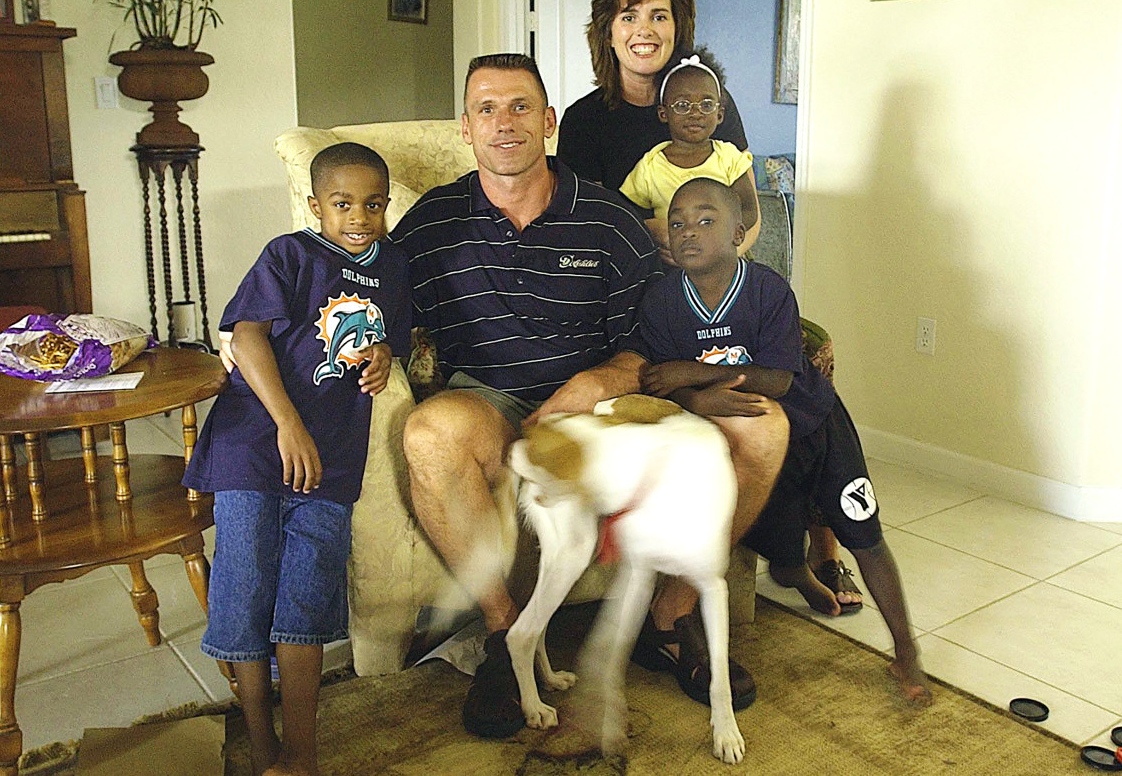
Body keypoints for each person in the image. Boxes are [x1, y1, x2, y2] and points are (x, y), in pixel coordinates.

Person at [388, 53, 788, 738]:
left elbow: (654, 335)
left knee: (765, 427)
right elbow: (367, 296)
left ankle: (671, 617)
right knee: (430, 432)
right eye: (486, 108)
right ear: (466, 128)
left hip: (606, 413)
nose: (504, 123)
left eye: (520, 107)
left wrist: (601, 380)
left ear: (547, 121)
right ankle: (502, 635)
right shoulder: (431, 223)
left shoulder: (606, 219)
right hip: (490, 403)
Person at [634, 177, 932, 705]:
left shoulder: (768, 290)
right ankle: (803, 581)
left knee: (864, 534)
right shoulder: (659, 303)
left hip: (816, 427)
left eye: (706, 220)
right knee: (780, 545)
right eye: (677, 223)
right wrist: (695, 400)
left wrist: (691, 372)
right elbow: (658, 384)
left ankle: (906, 650)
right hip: (762, 444)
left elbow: (780, 379)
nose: (688, 232)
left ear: (739, 233)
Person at [184, 143, 411, 775]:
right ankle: (261, 743)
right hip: (255, 444)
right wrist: (288, 423)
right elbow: (246, 334)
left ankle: (302, 752)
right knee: (246, 586)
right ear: (316, 206)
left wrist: (385, 354)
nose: (359, 216)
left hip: (332, 458)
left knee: (306, 597)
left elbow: (393, 333)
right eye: (342, 204)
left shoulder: (393, 266)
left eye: (373, 204)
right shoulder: (291, 254)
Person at [557, 0, 749, 193]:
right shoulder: (583, 121)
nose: (644, 30)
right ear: (609, 35)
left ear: (677, 29)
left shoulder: (710, 101)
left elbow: (748, 215)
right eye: (629, 17)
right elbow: (585, 221)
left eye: (658, 17)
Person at [620, 49, 761, 264]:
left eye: (706, 105)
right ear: (663, 113)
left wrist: (721, 241)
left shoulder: (729, 158)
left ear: (720, 114)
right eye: (682, 106)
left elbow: (749, 210)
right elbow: (630, 215)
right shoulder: (650, 165)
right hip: (670, 267)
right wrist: (658, 233)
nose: (696, 113)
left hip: (727, 263)